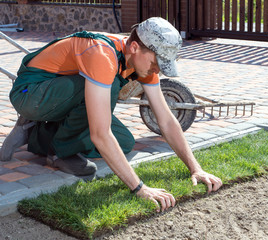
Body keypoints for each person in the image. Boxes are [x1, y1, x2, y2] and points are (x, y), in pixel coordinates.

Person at [0, 17, 222, 212]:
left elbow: (165, 119)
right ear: (135, 47)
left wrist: (196, 169)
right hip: (31, 94)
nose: (157, 70)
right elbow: (100, 134)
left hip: (60, 95)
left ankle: (38, 133)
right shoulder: (102, 54)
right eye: (155, 63)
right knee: (107, 90)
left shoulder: (142, 63)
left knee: (124, 142)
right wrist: (140, 188)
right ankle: (60, 150)